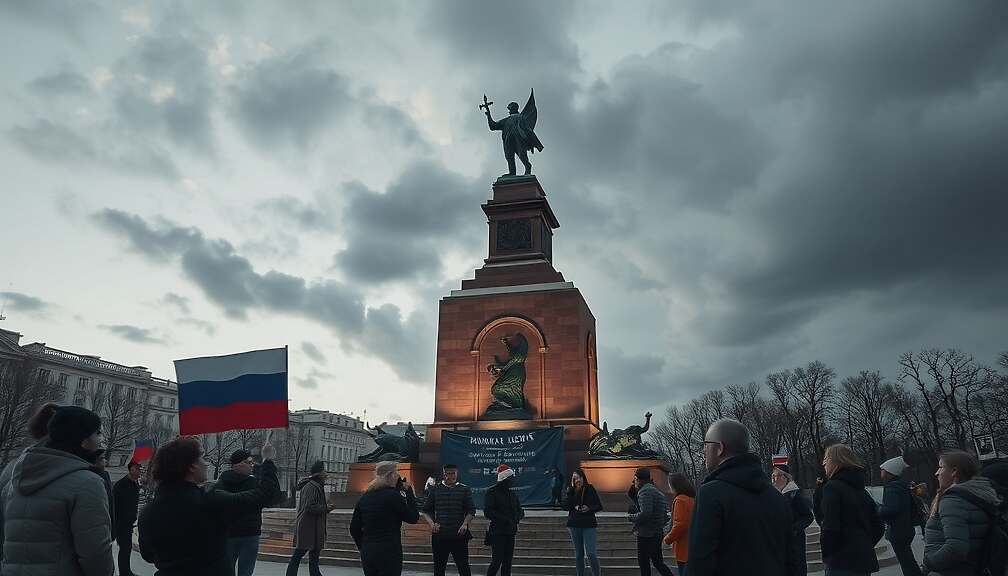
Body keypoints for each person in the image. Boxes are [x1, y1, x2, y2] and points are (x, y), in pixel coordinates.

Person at [137, 436, 280, 576]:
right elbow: (265, 494)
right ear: (191, 467)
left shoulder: (147, 513)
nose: (206, 464)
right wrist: (267, 460)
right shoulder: (209, 502)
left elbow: (148, 556)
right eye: (202, 458)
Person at [0, 405, 114, 575]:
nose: (101, 440)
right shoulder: (88, 483)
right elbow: (95, 554)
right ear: (83, 441)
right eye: (97, 433)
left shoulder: (15, 477)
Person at [688, 418, 796, 576]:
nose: (704, 451)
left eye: (706, 444)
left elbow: (699, 563)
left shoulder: (710, 494)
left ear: (719, 448)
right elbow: (791, 558)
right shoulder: (777, 497)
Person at [922, 450, 1001, 576]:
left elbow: (956, 548)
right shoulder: (976, 495)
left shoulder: (953, 500)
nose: (936, 473)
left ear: (954, 471)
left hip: (952, 571)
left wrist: (929, 562)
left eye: (941, 467)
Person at [813, 444, 883, 576]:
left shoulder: (832, 488)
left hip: (841, 562)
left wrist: (828, 553)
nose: (823, 463)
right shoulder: (861, 489)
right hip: (863, 561)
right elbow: (878, 525)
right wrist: (863, 544)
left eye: (826, 459)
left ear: (837, 462)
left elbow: (830, 525)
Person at [349, 460, 421, 575]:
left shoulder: (365, 497)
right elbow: (413, 518)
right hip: (389, 550)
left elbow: (354, 528)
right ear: (391, 475)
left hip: (368, 551)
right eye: (397, 473)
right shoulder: (393, 496)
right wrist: (409, 493)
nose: (398, 476)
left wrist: (362, 547)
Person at [219, 448, 275, 576]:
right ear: (236, 465)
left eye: (252, 462)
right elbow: (270, 493)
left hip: (243, 534)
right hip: (240, 534)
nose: (252, 464)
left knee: (239, 571)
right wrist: (267, 461)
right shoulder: (225, 483)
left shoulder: (252, 481)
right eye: (248, 462)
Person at [421, 463, 476, 576]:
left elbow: (471, 510)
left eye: (453, 474)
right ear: (443, 474)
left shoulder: (464, 489)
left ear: (457, 474)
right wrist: (432, 524)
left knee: (463, 566)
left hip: (458, 534)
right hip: (440, 533)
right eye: (448, 474)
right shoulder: (436, 489)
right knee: (439, 567)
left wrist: (465, 524)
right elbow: (425, 511)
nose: (450, 476)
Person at [286, 461, 337, 576]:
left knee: (313, 558)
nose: (326, 473)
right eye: (324, 471)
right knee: (299, 555)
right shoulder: (311, 487)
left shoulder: (316, 486)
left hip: (313, 528)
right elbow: (310, 506)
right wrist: (326, 508)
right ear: (318, 473)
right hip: (308, 527)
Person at [877, 456, 922, 576]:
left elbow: (890, 510)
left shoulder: (892, 487)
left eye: (883, 470)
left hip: (898, 531)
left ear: (889, 472)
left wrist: (877, 508)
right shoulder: (901, 485)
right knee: (908, 560)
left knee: (906, 562)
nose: (881, 472)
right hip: (905, 529)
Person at [483, 92, 544, 176]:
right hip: (508, 140)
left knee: (522, 154)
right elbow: (493, 126)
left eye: (510, 108)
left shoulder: (520, 117)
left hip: (518, 138)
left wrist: (532, 140)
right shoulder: (506, 120)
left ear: (514, 108)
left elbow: (527, 129)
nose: (508, 110)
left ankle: (527, 167)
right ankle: (512, 172)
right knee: (509, 156)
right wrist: (488, 115)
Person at [630, 467, 674, 576]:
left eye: (635, 479)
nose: (634, 481)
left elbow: (646, 513)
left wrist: (632, 517)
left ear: (638, 479)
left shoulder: (645, 491)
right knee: (658, 562)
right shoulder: (657, 491)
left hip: (647, 534)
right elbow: (664, 515)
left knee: (644, 563)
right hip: (656, 532)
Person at [771, 462, 814, 576]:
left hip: (794, 546)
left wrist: (794, 529)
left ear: (787, 477)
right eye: (773, 476)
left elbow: (808, 516)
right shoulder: (772, 496)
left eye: (779, 476)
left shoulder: (795, 494)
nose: (775, 479)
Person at [483, 463, 524, 576]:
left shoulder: (512, 494)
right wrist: (505, 520)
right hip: (497, 532)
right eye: (511, 478)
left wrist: (516, 519)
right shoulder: (492, 492)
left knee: (508, 561)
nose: (513, 480)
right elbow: (488, 511)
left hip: (510, 531)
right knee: (497, 560)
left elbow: (520, 510)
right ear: (504, 478)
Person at [562, 468, 603, 576]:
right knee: (578, 554)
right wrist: (570, 494)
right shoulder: (571, 490)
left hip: (588, 523)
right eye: (574, 479)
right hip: (574, 524)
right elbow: (565, 506)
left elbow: (598, 505)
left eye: (578, 478)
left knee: (591, 553)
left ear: (583, 478)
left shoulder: (589, 488)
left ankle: (596, 573)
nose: (577, 481)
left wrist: (589, 508)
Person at [663, 472, 695, 576]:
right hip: (691, 545)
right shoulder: (690, 499)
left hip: (683, 547)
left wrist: (667, 539)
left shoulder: (680, 500)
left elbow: (680, 524)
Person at [113, 460, 142, 576]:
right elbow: (115, 505)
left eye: (139, 469)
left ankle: (126, 571)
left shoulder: (134, 485)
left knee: (127, 548)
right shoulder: (120, 485)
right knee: (125, 548)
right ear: (130, 469)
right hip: (121, 523)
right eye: (136, 468)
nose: (139, 471)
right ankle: (124, 573)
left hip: (129, 522)